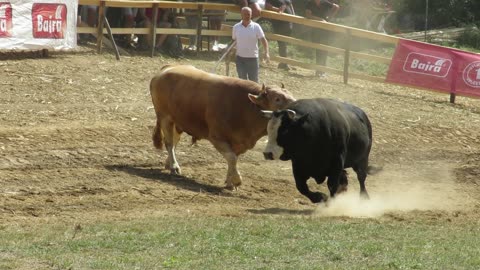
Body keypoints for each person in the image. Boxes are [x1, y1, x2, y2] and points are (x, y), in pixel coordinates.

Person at [232, 7, 270, 82]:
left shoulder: (256, 27)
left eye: (248, 14)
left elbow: (263, 40)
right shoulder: (236, 27)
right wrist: (232, 52)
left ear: (251, 15)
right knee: (242, 81)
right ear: (241, 15)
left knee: (254, 81)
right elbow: (234, 40)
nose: (247, 16)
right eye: (245, 14)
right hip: (240, 59)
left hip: (253, 59)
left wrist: (266, 52)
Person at [305, 0, 339, 77]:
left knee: (324, 49)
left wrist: (329, 17)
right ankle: (318, 71)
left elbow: (336, 7)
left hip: (325, 30)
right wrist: (320, 19)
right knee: (318, 49)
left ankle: (322, 71)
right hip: (316, 29)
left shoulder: (325, 2)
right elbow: (308, 15)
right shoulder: (310, 3)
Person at [265, 0, 295, 70]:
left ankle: (283, 62)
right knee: (282, 42)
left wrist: (293, 17)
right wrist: (277, 9)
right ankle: (284, 63)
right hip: (279, 22)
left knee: (284, 43)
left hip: (289, 22)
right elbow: (266, 5)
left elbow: (290, 4)